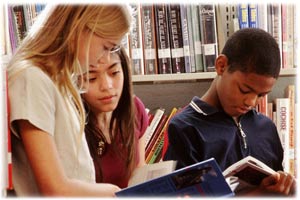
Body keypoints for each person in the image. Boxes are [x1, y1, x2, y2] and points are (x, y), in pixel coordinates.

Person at [7, 4, 132, 197]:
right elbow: (53, 188)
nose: (104, 58)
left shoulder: (60, 80)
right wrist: (114, 193)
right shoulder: (31, 78)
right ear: (79, 29)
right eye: (106, 47)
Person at [163, 28, 296, 196]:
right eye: (244, 90)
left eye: (261, 95)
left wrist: (286, 187)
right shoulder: (185, 129)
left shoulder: (266, 128)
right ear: (221, 66)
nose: (251, 102)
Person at [81, 46, 148, 188]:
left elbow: (139, 171)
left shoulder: (135, 108)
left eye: (114, 72)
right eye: (91, 78)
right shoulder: (70, 122)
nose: (107, 86)